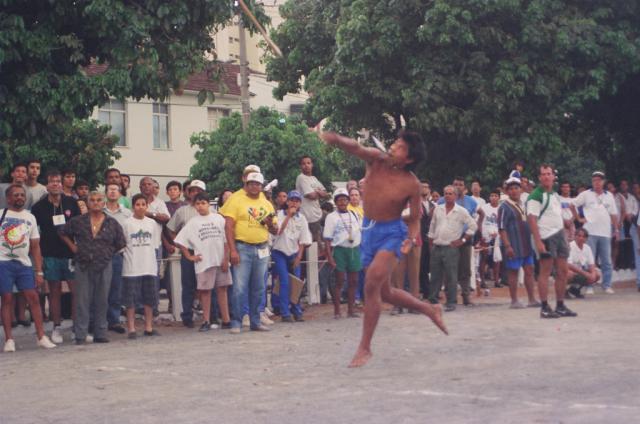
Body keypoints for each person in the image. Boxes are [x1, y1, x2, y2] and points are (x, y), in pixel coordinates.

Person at [320, 130, 447, 367]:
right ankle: (429, 309)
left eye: (400, 146)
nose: (393, 147)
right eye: (395, 142)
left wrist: (410, 238)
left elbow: (416, 217)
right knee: (385, 292)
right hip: (368, 231)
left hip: (392, 232)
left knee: (371, 283)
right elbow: (356, 148)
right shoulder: (377, 160)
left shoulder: (412, 184)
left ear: (409, 158)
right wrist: (337, 140)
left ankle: (365, 347)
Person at [60, 191, 126, 344]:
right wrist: (73, 247)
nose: (96, 203)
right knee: (82, 300)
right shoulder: (78, 221)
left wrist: (107, 253)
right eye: (93, 200)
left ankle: (100, 333)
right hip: (83, 263)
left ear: (104, 203)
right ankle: (81, 334)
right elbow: (62, 232)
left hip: (104, 264)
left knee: (102, 299)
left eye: (99, 200)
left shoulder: (112, 223)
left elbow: (121, 242)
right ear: (88, 203)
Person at [1, 184, 57, 352]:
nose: (19, 198)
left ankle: (41, 337)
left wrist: (38, 270)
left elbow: (35, 246)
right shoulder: (2, 214)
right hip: (3, 262)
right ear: (8, 198)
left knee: (32, 297)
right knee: (7, 299)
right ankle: (9, 340)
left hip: (24, 264)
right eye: (15, 195)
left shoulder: (30, 217)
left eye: (22, 195)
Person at [221, 172, 277, 333]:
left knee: (259, 286)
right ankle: (237, 321)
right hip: (242, 247)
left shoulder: (266, 203)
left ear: (261, 186)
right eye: (251, 183)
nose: (254, 186)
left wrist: (269, 225)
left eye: (258, 184)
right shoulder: (236, 199)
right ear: (246, 183)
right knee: (239, 287)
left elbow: (275, 229)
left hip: (262, 247)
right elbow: (228, 226)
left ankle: (255, 321)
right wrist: (232, 250)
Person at [30, 170, 82, 343]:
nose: (56, 184)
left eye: (58, 181)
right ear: (47, 185)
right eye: (52, 181)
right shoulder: (38, 207)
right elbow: (34, 232)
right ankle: (56, 327)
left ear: (62, 184)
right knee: (54, 291)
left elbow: (79, 227)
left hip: (70, 254)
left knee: (76, 290)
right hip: (50, 254)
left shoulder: (71, 203)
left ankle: (76, 327)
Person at [175, 192, 231, 332]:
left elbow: (226, 241)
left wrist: (226, 258)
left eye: (203, 203)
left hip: (220, 260)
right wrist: (189, 256)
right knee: (205, 292)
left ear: (208, 204)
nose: (200, 206)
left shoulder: (219, 219)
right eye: (197, 204)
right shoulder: (193, 222)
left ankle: (226, 319)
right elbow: (180, 241)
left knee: (222, 290)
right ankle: (206, 320)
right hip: (204, 262)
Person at [526, 164, 577, 318]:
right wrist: (539, 242)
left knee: (562, 271)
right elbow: (532, 219)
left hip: (559, 235)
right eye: (544, 174)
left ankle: (560, 305)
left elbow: (555, 214)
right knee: (545, 272)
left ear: (554, 177)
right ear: (540, 177)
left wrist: (565, 226)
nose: (547, 176)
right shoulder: (535, 195)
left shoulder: (555, 194)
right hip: (546, 237)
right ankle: (544, 307)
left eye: (549, 174)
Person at [428, 185, 478, 310]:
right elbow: (432, 227)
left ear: (455, 196)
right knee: (435, 275)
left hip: (451, 247)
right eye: (445, 193)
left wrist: (463, 240)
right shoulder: (438, 209)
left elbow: (473, 226)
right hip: (437, 245)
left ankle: (451, 302)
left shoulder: (461, 211)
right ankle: (433, 300)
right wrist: (430, 242)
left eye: (450, 193)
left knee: (451, 276)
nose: (447, 195)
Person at [571, 171, 619, 294]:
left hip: (605, 232)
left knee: (606, 260)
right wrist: (578, 218)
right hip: (590, 232)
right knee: (589, 260)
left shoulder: (609, 196)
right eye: (594, 180)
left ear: (603, 181)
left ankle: (607, 285)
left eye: (599, 180)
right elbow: (572, 204)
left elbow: (614, 214)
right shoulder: (586, 194)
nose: (596, 182)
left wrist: (616, 229)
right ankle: (589, 286)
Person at [438, 177, 484, 306]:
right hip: (449, 239)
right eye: (455, 184)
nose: (458, 186)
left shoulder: (470, 201)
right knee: (449, 268)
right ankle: (450, 297)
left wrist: (478, 226)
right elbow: (434, 215)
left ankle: (466, 296)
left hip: (465, 238)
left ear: (464, 187)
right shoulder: (443, 199)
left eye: (461, 184)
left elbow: (481, 213)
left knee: (465, 268)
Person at [166, 180, 206, 327]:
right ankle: (187, 316)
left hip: (206, 251)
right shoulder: (182, 211)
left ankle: (211, 315)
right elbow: (170, 229)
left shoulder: (212, 211)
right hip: (188, 251)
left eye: (198, 190)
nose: (195, 193)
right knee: (188, 284)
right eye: (192, 190)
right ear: (188, 193)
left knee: (207, 284)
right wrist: (179, 242)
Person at [121, 194, 160, 338]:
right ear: (133, 207)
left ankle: (148, 327)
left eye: (143, 204)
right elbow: (122, 245)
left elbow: (155, 245)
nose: (141, 207)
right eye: (137, 204)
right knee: (130, 300)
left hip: (148, 266)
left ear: (147, 206)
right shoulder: (127, 223)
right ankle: (131, 329)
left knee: (149, 299)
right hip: (131, 267)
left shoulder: (152, 223)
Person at [497, 178, 540, 308]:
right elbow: (501, 228)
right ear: (507, 191)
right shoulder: (504, 206)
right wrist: (507, 245)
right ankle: (514, 300)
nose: (514, 191)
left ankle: (532, 299)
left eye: (516, 188)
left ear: (521, 189)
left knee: (529, 270)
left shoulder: (524, 204)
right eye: (511, 189)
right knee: (513, 272)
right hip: (513, 245)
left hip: (526, 243)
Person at [271, 190, 312, 322]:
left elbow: (303, 240)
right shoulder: (279, 214)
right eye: (292, 200)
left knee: (296, 283)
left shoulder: (302, 218)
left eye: (297, 201)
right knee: (284, 281)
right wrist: (288, 216)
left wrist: (299, 257)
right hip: (279, 251)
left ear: (300, 203)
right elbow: (278, 232)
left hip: (294, 253)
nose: (294, 203)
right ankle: (285, 312)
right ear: (287, 202)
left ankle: (297, 310)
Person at [324, 188, 362, 319]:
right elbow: (327, 239)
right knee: (339, 281)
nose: (342, 202)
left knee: (354, 281)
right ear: (335, 202)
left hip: (354, 250)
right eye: (339, 200)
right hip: (340, 250)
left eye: (345, 199)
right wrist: (329, 257)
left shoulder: (354, 214)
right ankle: (337, 311)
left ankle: (351, 310)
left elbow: (360, 232)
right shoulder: (331, 217)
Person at [103, 183, 132, 334]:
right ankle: (100, 321)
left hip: (118, 254)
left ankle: (114, 321)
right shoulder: (99, 211)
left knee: (116, 288)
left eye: (116, 190)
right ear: (106, 192)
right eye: (110, 189)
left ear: (120, 193)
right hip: (101, 255)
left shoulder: (127, 213)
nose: (113, 192)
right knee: (101, 288)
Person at [296, 156, 330, 241]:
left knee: (328, 231)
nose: (306, 165)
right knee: (313, 245)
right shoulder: (301, 178)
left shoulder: (314, 178)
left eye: (308, 163)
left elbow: (326, 194)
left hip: (318, 213)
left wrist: (318, 192)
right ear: (300, 166)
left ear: (312, 165)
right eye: (303, 164)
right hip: (309, 217)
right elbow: (311, 196)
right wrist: (319, 192)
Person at [566, 228, 600, 298]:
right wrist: (585, 274)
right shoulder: (570, 246)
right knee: (569, 274)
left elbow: (591, 264)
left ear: (586, 238)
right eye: (579, 236)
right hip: (568, 271)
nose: (581, 238)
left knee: (597, 275)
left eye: (584, 236)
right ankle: (564, 292)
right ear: (575, 236)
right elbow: (569, 265)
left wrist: (593, 275)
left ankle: (575, 290)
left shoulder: (587, 248)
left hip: (580, 271)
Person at [478, 190, 501, 290]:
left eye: (495, 195)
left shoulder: (501, 209)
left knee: (497, 259)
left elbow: (503, 223)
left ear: (499, 198)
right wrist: (481, 235)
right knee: (484, 258)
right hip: (485, 236)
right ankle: (482, 281)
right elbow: (479, 221)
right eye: (492, 195)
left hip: (497, 237)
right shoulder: (484, 208)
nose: (493, 197)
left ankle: (496, 281)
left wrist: (498, 234)